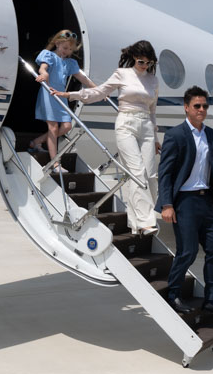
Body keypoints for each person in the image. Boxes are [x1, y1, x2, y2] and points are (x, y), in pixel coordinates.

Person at [56, 40, 160, 235]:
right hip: (126, 123)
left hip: (146, 125)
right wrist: (70, 95)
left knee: (151, 176)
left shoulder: (153, 80)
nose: (144, 66)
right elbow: (99, 92)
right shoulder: (122, 73)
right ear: (133, 59)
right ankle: (145, 222)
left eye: (148, 63)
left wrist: (155, 138)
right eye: (140, 62)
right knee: (137, 173)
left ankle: (139, 220)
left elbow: (153, 111)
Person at [157, 86, 213, 325]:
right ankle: (172, 295)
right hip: (185, 202)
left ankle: (212, 300)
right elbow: (166, 173)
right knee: (188, 251)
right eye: (197, 106)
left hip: (207, 201)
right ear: (186, 107)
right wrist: (167, 204)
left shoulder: (212, 135)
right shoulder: (175, 135)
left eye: (205, 106)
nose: (202, 110)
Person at [33, 30, 94, 168]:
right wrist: (44, 74)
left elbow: (82, 78)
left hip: (61, 95)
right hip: (49, 93)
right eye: (65, 48)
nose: (68, 51)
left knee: (67, 126)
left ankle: (37, 141)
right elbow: (43, 68)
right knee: (53, 127)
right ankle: (55, 163)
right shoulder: (49, 56)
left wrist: (98, 90)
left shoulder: (70, 63)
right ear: (57, 44)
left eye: (71, 49)